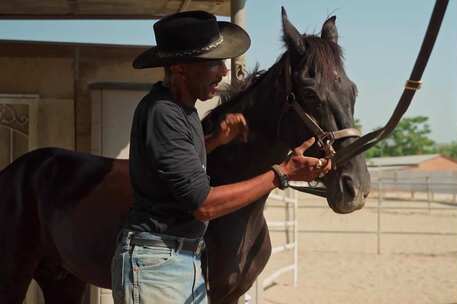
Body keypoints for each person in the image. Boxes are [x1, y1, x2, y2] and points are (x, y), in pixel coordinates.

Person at [111, 11, 331, 304]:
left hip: (180, 258)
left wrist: (214, 141)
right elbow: (203, 205)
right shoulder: (162, 113)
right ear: (179, 68)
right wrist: (283, 174)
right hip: (157, 265)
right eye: (213, 63)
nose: (224, 72)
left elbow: (174, 158)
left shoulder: (183, 110)